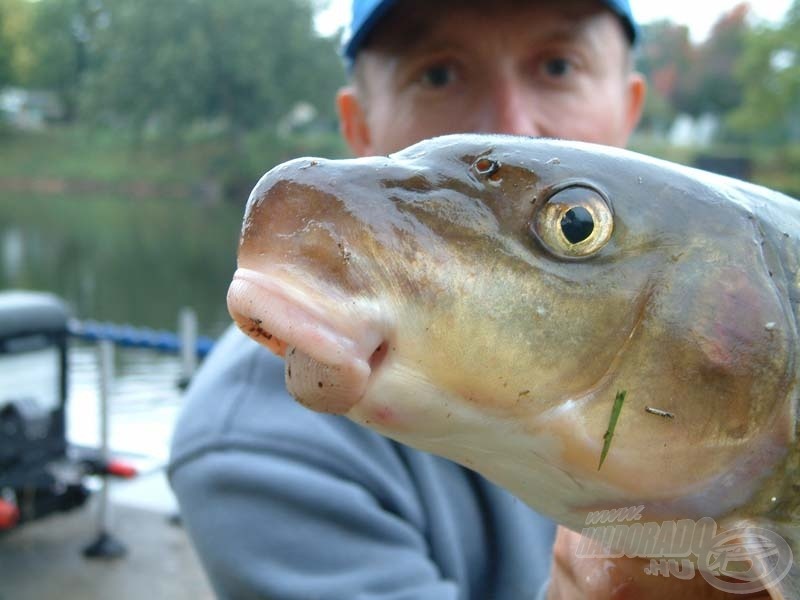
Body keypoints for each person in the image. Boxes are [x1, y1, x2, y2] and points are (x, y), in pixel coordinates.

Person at [169, 1, 731, 598]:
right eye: (439, 74)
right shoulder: (258, 451)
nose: (511, 122)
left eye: (559, 67)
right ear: (358, 125)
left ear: (629, 107)